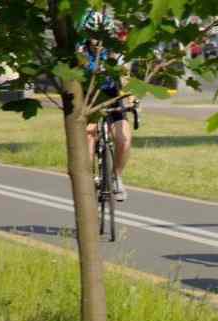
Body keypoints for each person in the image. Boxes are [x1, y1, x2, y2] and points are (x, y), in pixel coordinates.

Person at [79, 9, 133, 202]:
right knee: (89, 134)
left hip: (111, 94)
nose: (98, 41)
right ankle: (86, 178)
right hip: (88, 97)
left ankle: (116, 176)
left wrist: (130, 98)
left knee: (123, 138)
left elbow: (126, 78)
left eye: (102, 36)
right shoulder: (80, 52)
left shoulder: (116, 51)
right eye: (93, 36)